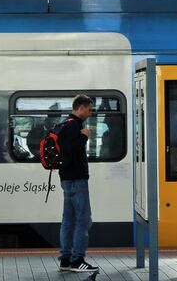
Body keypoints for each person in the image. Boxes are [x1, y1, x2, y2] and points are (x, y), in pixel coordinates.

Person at [57, 94, 98, 273]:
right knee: (83, 220)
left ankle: (65, 259)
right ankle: (77, 260)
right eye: (89, 109)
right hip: (76, 179)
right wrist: (84, 137)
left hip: (66, 178)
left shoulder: (64, 124)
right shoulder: (74, 127)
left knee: (68, 220)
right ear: (80, 107)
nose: (90, 113)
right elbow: (72, 151)